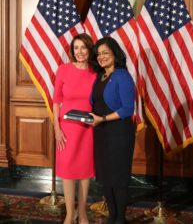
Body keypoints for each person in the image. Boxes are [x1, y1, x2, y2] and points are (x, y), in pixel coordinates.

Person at [90, 37, 135, 224]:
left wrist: (103, 119)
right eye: (99, 54)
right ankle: (112, 217)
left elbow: (127, 109)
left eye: (105, 53)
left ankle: (120, 220)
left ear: (115, 54)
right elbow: (96, 104)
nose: (101, 57)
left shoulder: (122, 76)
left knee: (118, 178)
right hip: (101, 133)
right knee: (106, 177)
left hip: (119, 133)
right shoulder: (99, 77)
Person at [53, 33, 96, 224]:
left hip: (87, 128)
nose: (80, 51)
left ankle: (83, 212)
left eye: (83, 47)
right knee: (68, 171)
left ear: (89, 49)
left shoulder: (96, 72)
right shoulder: (63, 70)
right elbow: (56, 101)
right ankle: (70, 214)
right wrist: (56, 127)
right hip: (67, 129)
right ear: (72, 50)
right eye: (76, 47)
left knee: (85, 171)